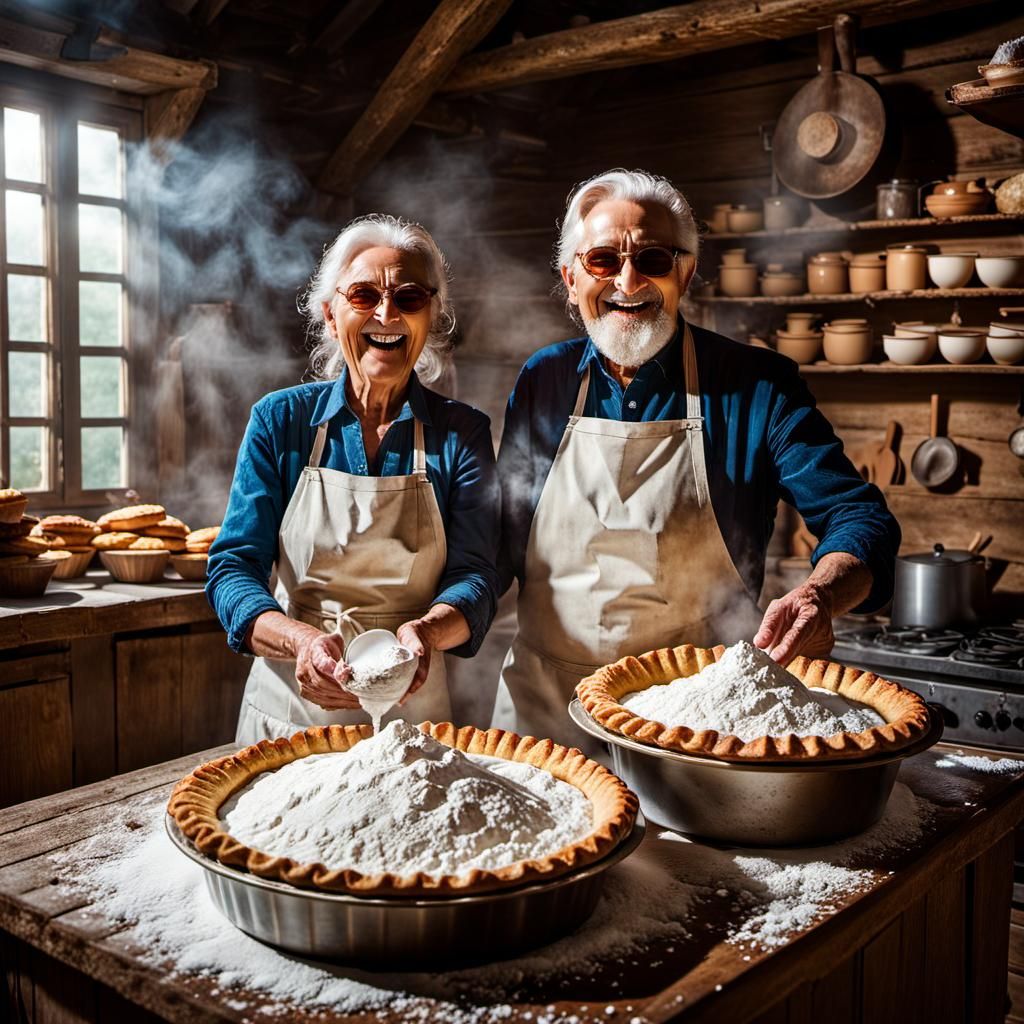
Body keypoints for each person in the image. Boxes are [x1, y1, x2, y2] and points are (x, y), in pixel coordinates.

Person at [493, 168, 900, 753]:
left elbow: (860, 518)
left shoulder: (757, 384)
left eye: (653, 259)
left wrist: (820, 594)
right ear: (571, 275)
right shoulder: (544, 379)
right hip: (545, 711)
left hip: (696, 716)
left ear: (685, 272)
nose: (628, 281)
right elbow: (503, 541)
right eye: (604, 260)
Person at [208, 215, 500, 744]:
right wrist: (299, 641)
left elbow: (477, 579)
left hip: (414, 718)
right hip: (289, 718)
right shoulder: (281, 422)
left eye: (409, 298)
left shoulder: (462, 433)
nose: (386, 314)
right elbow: (232, 570)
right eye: (364, 295)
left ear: (431, 315)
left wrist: (426, 634)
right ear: (329, 311)